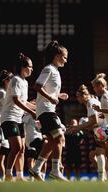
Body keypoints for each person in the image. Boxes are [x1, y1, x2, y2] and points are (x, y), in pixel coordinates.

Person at [29, 40, 69, 181]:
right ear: (57, 55)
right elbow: (37, 86)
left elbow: (46, 89)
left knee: (52, 141)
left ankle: (36, 168)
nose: (66, 60)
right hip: (46, 110)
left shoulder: (56, 71)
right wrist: (51, 98)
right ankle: (55, 171)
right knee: (60, 138)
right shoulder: (49, 69)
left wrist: (58, 95)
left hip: (48, 109)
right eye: (64, 57)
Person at [1, 53, 36, 181]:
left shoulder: (25, 82)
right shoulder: (15, 80)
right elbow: (16, 100)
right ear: (23, 67)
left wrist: (36, 107)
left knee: (21, 149)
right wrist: (31, 112)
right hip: (9, 118)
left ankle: (20, 176)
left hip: (18, 118)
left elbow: (24, 101)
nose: (32, 69)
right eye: (30, 66)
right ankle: (8, 174)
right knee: (16, 146)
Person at [67, 84, 108, 181]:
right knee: (94, 155)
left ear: (83, 96)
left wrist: (79, 127)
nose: (77, 98)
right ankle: (105, 175)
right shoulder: (91, 101)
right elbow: (94, 122)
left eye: (78, 96)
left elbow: (95, 121)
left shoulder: (90, 102)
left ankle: (104, 177)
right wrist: (85, 127)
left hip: (103, 129)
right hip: (101, 129)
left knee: (100, 153)